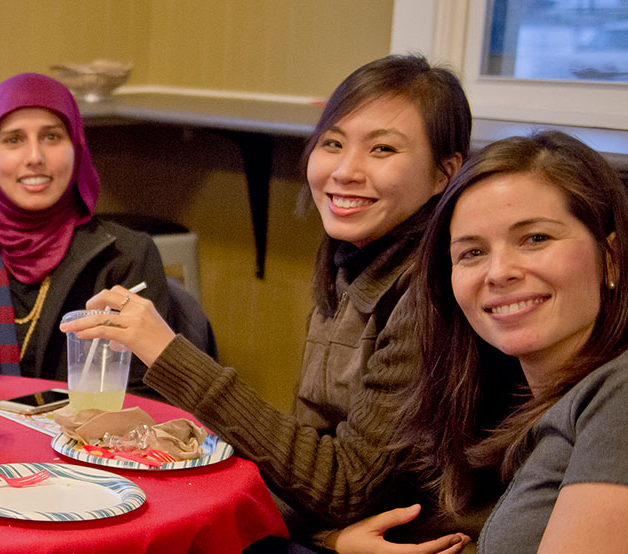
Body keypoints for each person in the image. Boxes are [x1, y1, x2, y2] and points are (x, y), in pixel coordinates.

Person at [62, 54, 473, 549]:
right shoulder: (350, 258)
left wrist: (170, 353)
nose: (345, 171)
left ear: (443, 174)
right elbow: (313, 454)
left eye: (382, 149)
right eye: (333, 143)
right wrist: (332, 536)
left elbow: (347, 488)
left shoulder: (431, 293)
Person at [383, 132, 628, 553]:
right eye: (472, 253)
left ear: (611, 258)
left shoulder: (619, 394)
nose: (499, 273)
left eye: (535, 239)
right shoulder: (526, 404)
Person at [0, 72, 194, 382]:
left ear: (77, 147)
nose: (35, 157)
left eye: (51, 137)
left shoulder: (126, 259)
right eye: (14, 139)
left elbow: (150, 398)